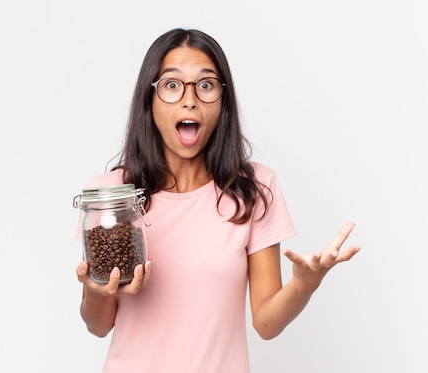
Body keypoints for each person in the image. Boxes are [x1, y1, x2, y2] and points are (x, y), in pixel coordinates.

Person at [75, 28, 361, 373]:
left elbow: (267, 323)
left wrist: (304, 285)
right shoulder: (111, 196)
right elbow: (99, 325)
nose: (190, 99)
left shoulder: (254, 188)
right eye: (171, 85)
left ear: (223, 100)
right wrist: (96, 290)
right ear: (148, 101)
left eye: (206, 85)